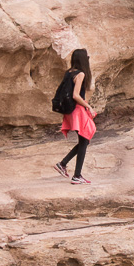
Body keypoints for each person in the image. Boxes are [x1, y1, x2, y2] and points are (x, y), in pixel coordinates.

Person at [54, 48, 95, 183]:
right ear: (83, 59)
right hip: (78, 110)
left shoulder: (69, 72)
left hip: (71, 111)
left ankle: (64, 164)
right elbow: (75, 95)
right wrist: (88, 106)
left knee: (84, 140)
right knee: (86, 137)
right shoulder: (81, 74)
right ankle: (77, 176)